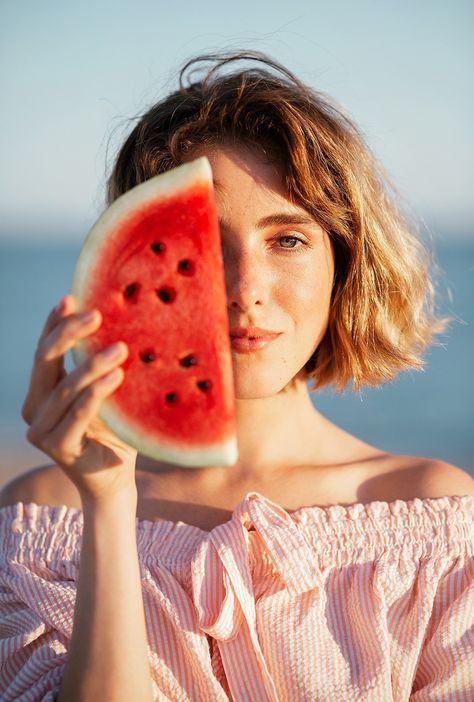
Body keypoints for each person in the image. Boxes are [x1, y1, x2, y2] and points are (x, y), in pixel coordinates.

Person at [0, 51, 472, 702]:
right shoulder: (41, 526)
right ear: (137, 271)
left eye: (287, 240)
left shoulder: (439, 523)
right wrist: (107, 506)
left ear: (344, 261)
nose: (246, 289)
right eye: (202, 246)